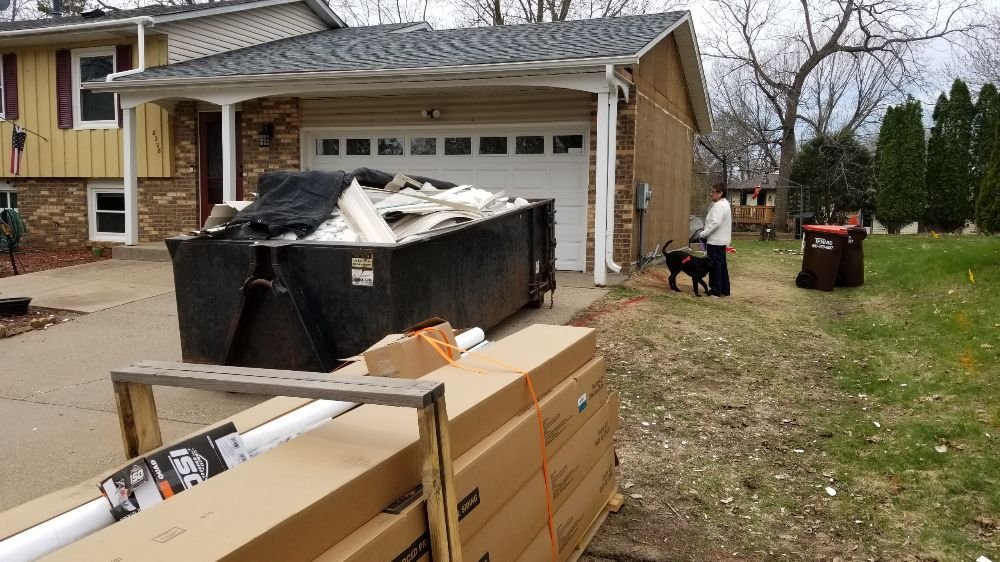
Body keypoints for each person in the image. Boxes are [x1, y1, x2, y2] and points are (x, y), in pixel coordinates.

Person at [700, 184, 732, 297]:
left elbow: (715, 223)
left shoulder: (719, 206)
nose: (711, 194)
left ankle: (715, 290)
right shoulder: (725, 204)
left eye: (713, 192)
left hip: (715, 241)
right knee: (722, 265)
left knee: (714, 265)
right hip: (721, 240)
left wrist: (703, 234)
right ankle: (724, 289)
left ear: (720, 193)